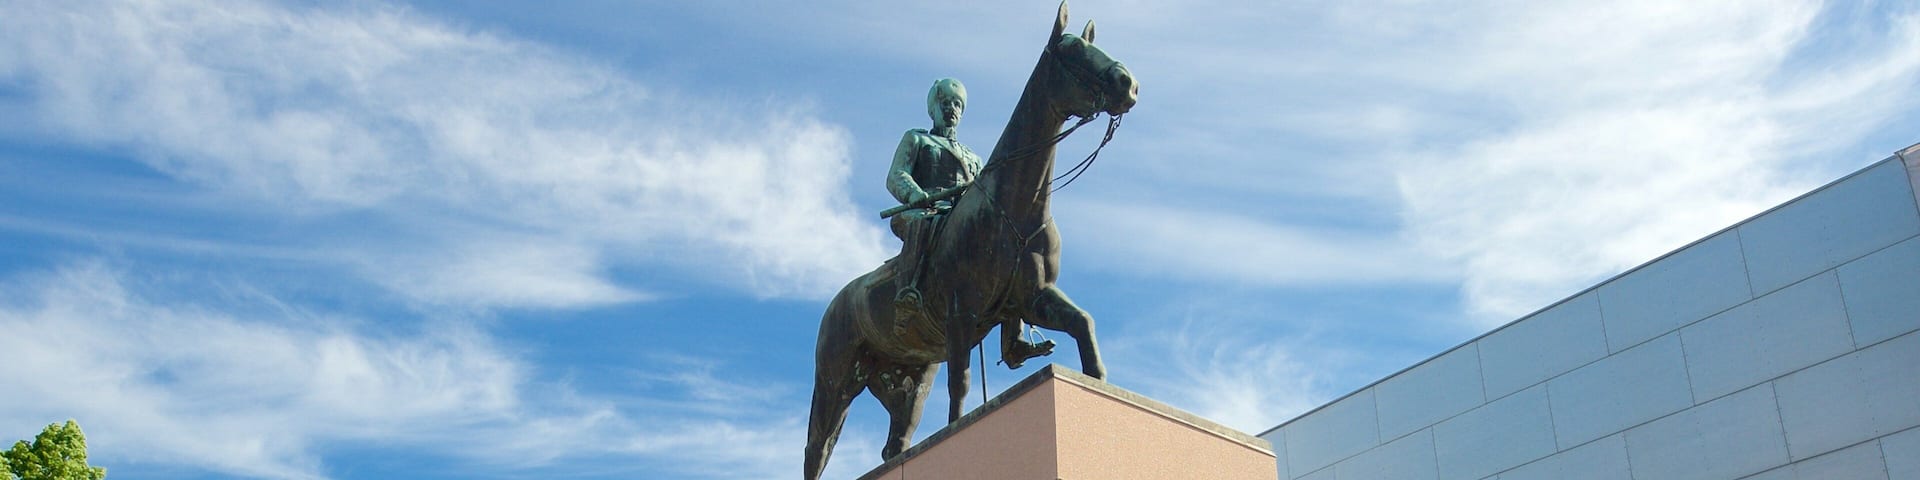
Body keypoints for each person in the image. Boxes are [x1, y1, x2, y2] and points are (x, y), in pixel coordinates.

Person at [886, 78, 1052, 367]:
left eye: (957, 104)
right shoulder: (917, 139)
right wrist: (915, 194)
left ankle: (1013, 340)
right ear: (933, 109)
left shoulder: (973, 158)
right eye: (945, 103)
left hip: (961, 219)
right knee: (924, 224)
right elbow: (896, 175)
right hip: (925, 210)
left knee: (1007, 252)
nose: (951, 108)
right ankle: (908, 294)